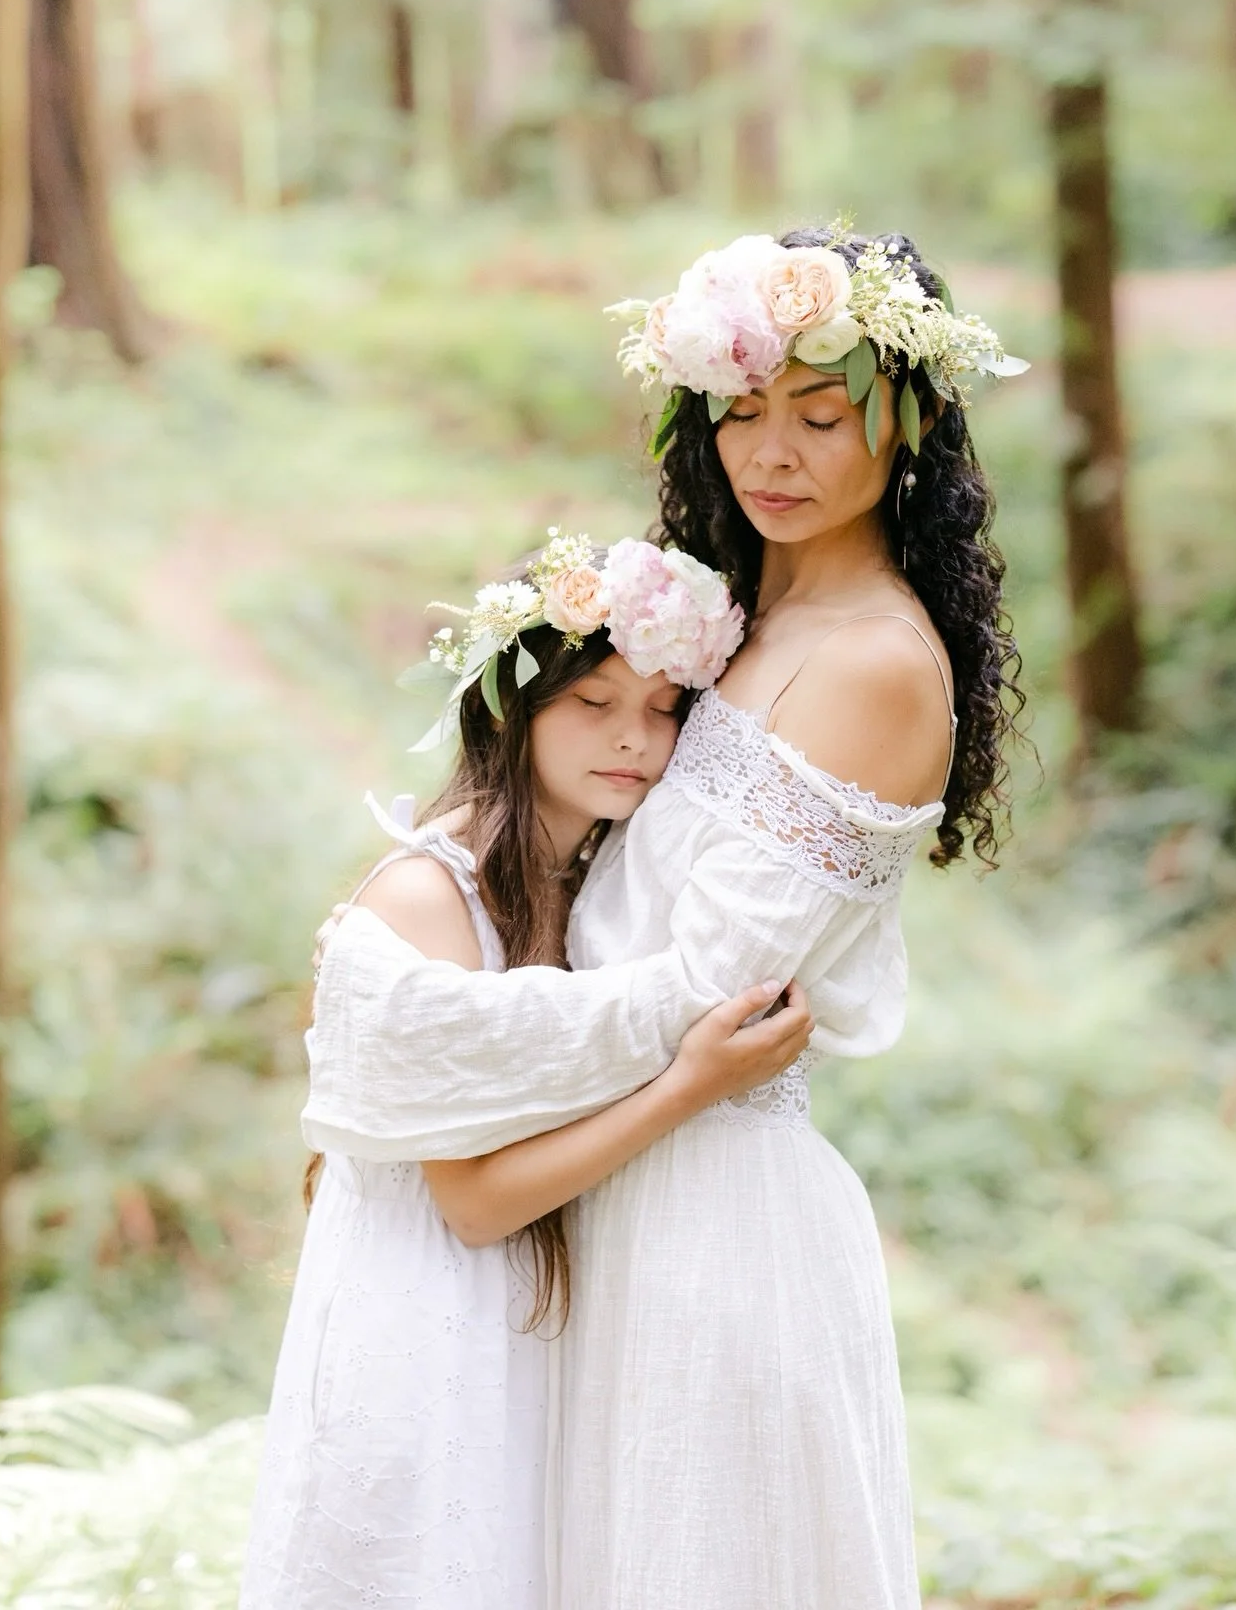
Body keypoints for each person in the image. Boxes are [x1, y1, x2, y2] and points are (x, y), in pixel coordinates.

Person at [304, 225, 1029, 1607]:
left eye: (822, 416)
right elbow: (563, 803)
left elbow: (708, 992)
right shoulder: (724, 618)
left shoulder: (872, 661)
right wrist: (430, 918)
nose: (774, 453)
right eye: (742, 412)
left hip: (712, 1219)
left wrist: (434, 1039)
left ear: (910, 426)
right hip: (593, 1184)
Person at [237, 533, 812, 1610]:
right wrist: (689, 1085)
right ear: (513, 705)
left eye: (661, 709)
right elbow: (474, 1202)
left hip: (517, 1328)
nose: (633, 740)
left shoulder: (590, 882)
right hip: (427, 1328)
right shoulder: (428, 895)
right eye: (593, 704)